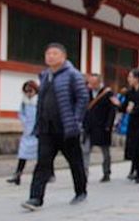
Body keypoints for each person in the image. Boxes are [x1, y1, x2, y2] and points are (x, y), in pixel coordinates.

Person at [21, 43, 88, 211]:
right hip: (46, 128)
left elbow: (82, 98)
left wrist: (76, 119)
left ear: (63, 57)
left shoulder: (73, 75)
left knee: (75, 162)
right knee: (42, 163)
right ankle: (35, 198)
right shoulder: (44, 76)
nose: (50, 56)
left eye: (54, 53)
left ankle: (81, 191)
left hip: (66, 127)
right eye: (48, 53)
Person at [82, 73, 116, 182]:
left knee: (105, 152)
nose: (91, 85)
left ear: (99, 82)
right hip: (89, 126)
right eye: (89, 83)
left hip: (102, 127)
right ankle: (84, 173)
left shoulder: (108, 93)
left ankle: (106, 172)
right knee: (85, 150)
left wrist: (109, 125)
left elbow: (112, 110)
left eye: (93, 83)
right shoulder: (86, 92)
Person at [7, 80, 39, 185]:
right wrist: (24, 123)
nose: (28, 93)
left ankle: (45, 174)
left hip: (37, 132)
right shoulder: (24, 103)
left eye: (30, 91)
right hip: (27, 131)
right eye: (26, 91)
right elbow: (21, 114)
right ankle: (17, 175)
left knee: (42, 155)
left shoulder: (39, 102)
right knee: (22, 154)